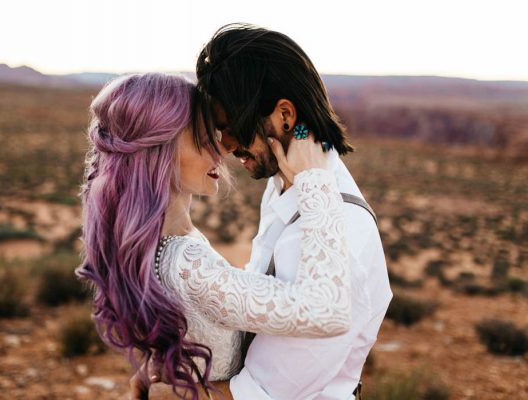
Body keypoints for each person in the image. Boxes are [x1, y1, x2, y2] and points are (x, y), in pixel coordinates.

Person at [76, 72, 352, 400]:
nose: (221, 150)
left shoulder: (151, 243)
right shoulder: (187, 263)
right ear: (159, 151)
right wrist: (315, 181)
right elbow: (328, 311)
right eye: (202, 137)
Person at [195, 24, 393, 400]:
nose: (225, 145)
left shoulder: (338, 229)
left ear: (285, 115)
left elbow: (263, 393)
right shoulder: (284, 186)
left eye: (233, 126)